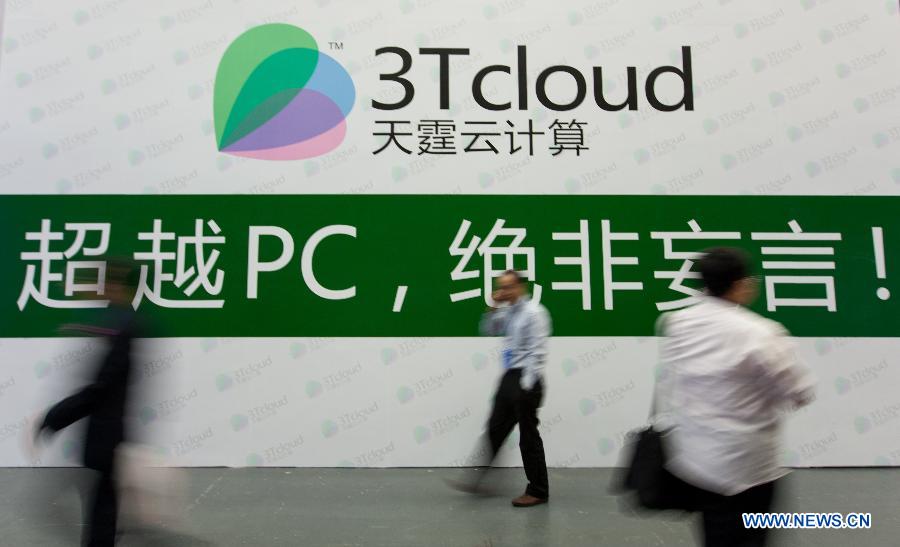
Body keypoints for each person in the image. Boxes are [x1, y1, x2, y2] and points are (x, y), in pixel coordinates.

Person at [655, 247, 815, 547]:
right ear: (740, 284)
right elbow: (801, 391)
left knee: (714, 534)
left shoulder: (676, 322)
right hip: (747, 467)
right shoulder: (760, 332)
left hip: (697, 459)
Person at [35, 259, 145, 546]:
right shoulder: (124, 320)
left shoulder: (123, 326)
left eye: (107, 283)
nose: (101, 289)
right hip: (111, 430)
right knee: (105, 497)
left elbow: (100, 388)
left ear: (118, 285)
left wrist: (55, 416)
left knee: (103, 502)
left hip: (106, 430)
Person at [450, 270, 552, 507]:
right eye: (501, 287)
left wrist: (525, 387)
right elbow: (489, 330)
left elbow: (538, 353)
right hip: (510, 377)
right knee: (495, 429)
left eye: (508, 287)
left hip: (527, 379)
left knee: (528, 438)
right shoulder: (508, 313)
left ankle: (538, 491)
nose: (503, 291)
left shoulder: (535, 313)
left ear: (520, 287)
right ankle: (476, 479)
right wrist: (493, 308)